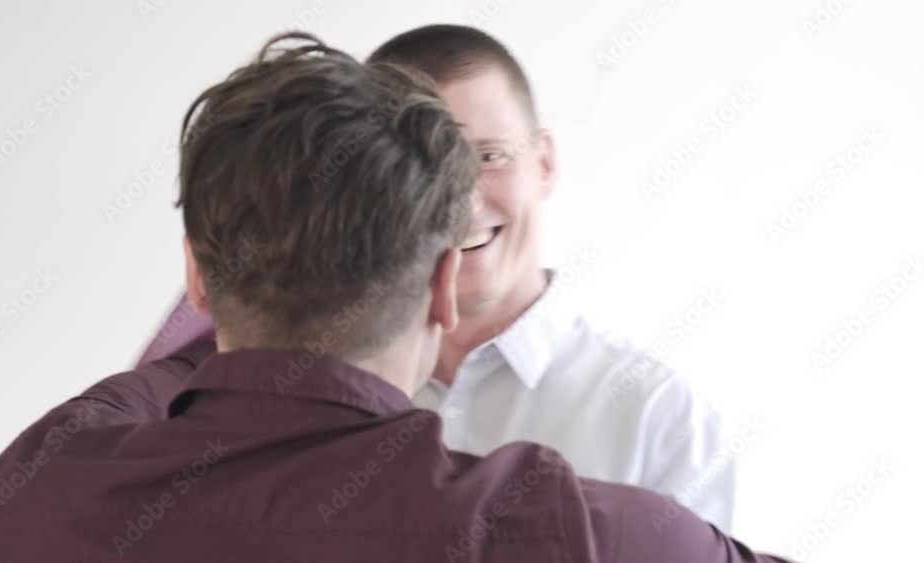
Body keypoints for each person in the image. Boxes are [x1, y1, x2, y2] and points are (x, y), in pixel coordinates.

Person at [0, 32, 788, 562]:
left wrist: (226, 283)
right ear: (441, 281)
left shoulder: (36, 492)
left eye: (490, 158)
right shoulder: (594, 535)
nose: (470, 202)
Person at [138, 24, 735, 531]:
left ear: (545, 162)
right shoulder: (273, 392)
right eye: (426, 175)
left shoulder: (656, 418)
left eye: (490, 156)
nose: (463, 205)